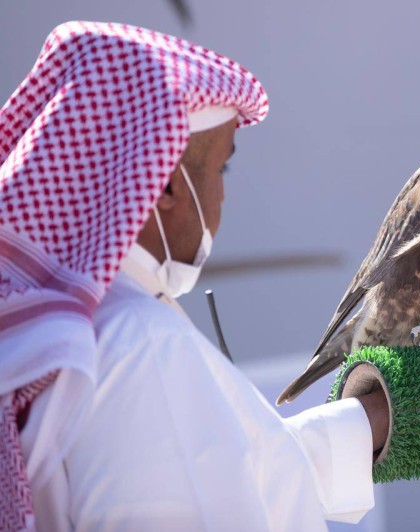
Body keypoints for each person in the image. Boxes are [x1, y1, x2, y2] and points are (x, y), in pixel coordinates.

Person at [0, 21, 388, 531]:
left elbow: (225, 466)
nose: (223, 196)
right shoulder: (141, 344)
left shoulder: (46, 326)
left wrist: (368, 424)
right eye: (221, 169)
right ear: (163, 184)